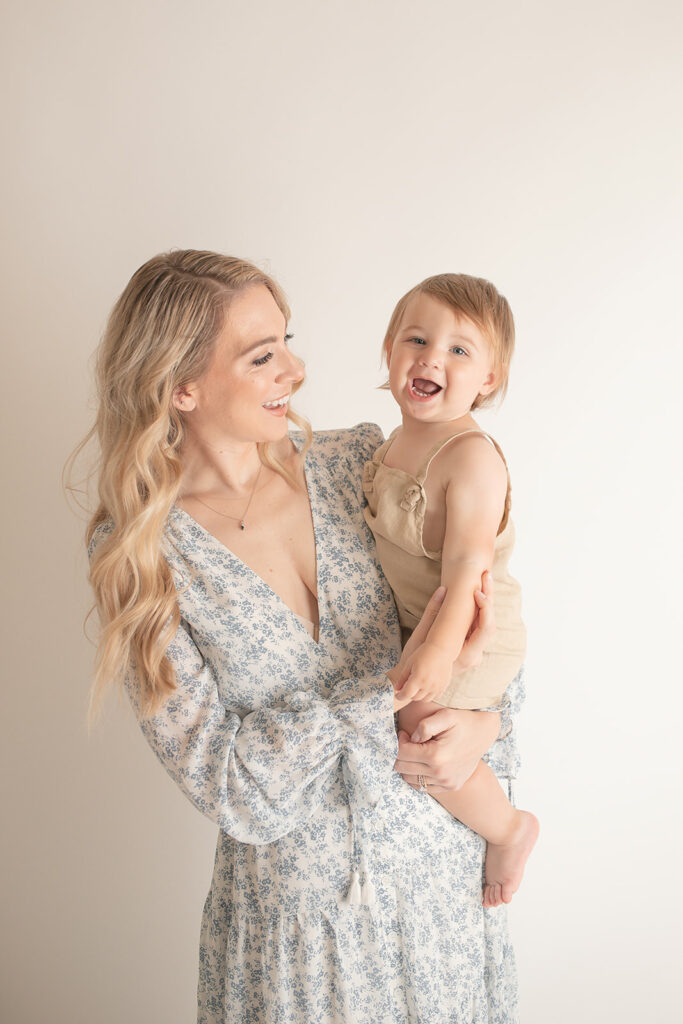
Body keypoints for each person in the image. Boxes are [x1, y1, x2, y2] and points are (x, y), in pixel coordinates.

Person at [80, 250, 524, 1023]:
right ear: (180, 388)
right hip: (300, 942)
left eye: (288, 341)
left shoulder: (359, 462)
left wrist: (487, 723)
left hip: (442, 898)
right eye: (263, 355)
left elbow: (482, 619)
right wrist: (384, 694)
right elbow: (228, 782)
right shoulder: (142, 553)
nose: (297, 368)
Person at [363, 273, 539, 909]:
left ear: (488, 380)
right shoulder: (395, 443)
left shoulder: (469, 456)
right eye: (417, 338)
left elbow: (467, 567)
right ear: (390, 350)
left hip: (475, 626)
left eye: (460, 351)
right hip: (426, 618)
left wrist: (439, 653)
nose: (432, 356)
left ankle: (509, 827)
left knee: (421, 724)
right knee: (407, 708)